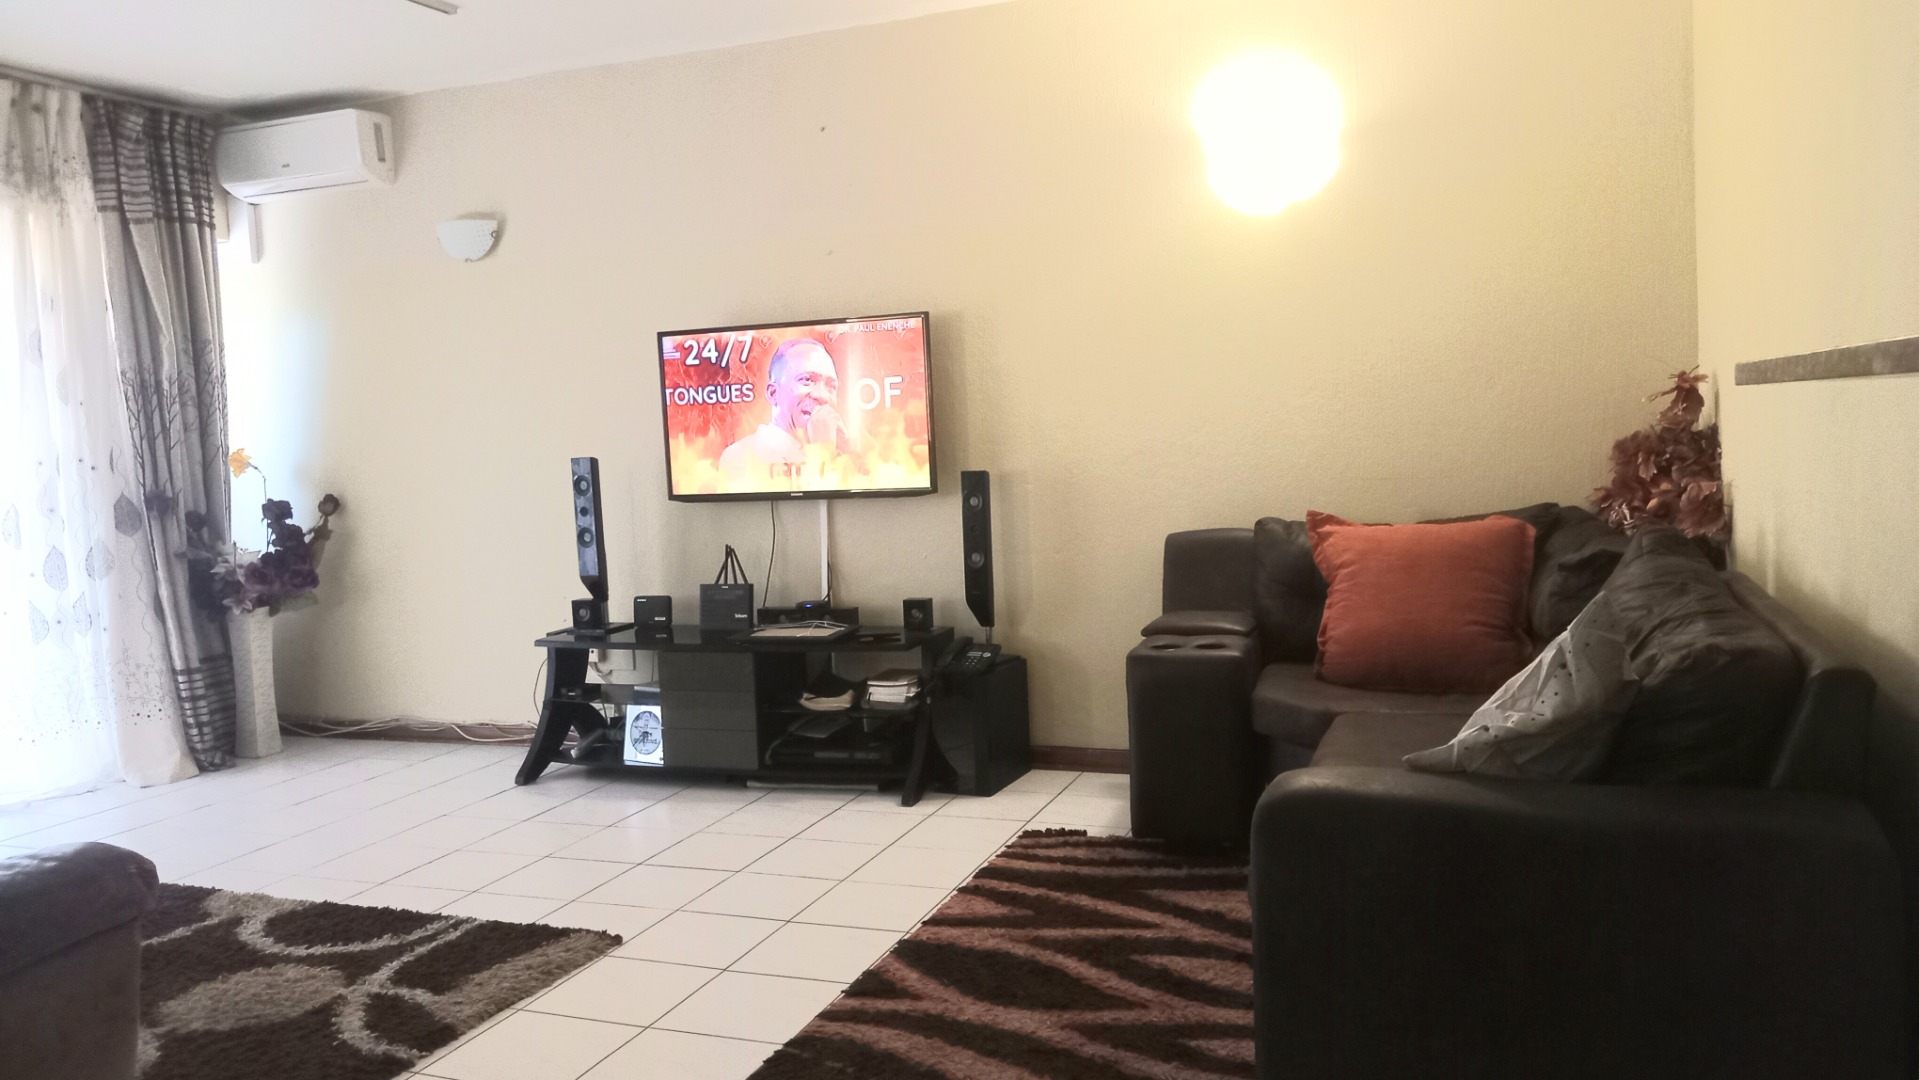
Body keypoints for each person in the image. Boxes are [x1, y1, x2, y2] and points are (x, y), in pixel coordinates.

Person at [718, 338, 852, 486]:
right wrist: (822, 451)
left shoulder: (841, 455)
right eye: (807, 380)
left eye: (830, 386)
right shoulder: (741, 455)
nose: (822, 396)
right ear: (773, 393)